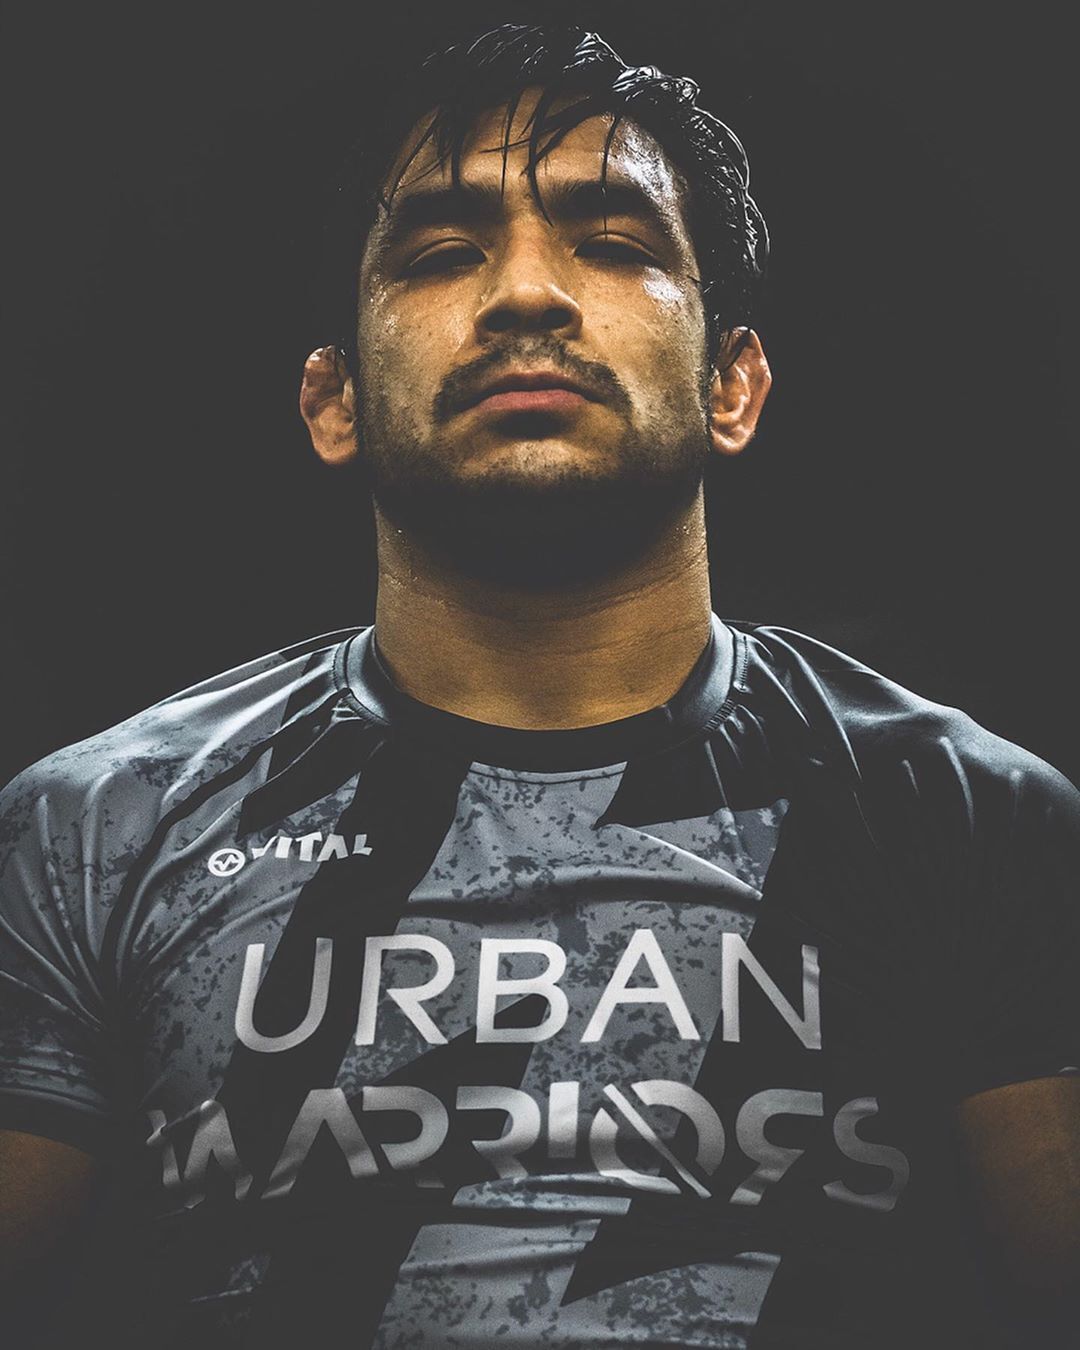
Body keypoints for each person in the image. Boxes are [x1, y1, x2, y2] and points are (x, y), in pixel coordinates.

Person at [0, 22, 1076, 1349]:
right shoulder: (94, 827)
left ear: (733, 383)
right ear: (334, 402)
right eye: (440, 254)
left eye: (613, 244)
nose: (524, 294)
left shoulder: (966, 816)